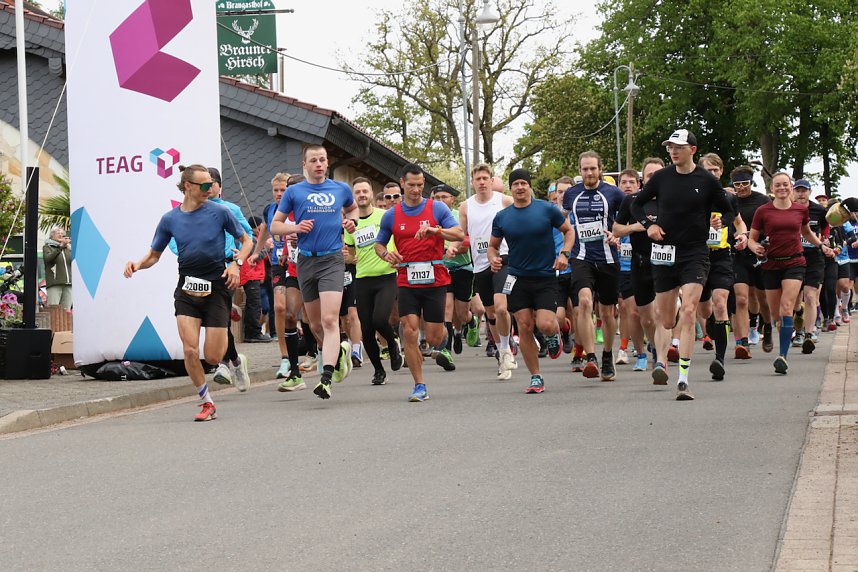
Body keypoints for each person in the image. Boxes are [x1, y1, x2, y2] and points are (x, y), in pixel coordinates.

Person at [123, 164, 252, 421]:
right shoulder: (170, 219)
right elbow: (154, 254)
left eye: (211, 184)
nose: (210, 189)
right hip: (187, 288)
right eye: (204, 185)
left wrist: (237, 264)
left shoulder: (220, 212)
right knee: (191, 351)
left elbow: (246, 241)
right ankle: (207, 402)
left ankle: (236, 361)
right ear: (188, 187)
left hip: (217, 287)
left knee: (213, 356)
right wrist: (137, 264)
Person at [631, 129, 735, 400]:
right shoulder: (662, 178)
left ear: (693, 150)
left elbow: (728, 210)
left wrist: (720, 221)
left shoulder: (706, 180)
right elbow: (636, 205)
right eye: (670, 147)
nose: (673, 151)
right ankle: (674, 313)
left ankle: (683, 380)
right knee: (666, 320)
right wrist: (649, 226)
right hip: (665, 253)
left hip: (694, 253)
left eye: (678, 147)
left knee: (690, 312)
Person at [270, 145, 358, 400]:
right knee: (315, 324)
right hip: (306, 262)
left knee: (330, 320)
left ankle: (326, 378)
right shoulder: (294, 192)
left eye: (322, 160)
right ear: (304, 164)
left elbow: (352, 209)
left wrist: (351, 221)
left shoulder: (340, 189)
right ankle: (339, 353)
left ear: (327, 163)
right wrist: (296, 228)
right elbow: (275, 225)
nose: (319, 164)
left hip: (332, 260)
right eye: (313, 160)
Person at [374, 163, 464, 402]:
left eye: (420, 185)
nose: (416, 190)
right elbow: (379, 245)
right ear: (402, 183)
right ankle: (419, 385)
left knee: (433, 337)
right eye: (411, 185)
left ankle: (443, 338)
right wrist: (386, 254)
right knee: (410, 330)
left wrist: (436, 231)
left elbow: (459, 234)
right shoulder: (392, 214)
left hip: (435, 279)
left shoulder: (437, 208)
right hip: (407, 279)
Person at [489, 169, 575, 393]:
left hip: (545, 276)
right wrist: (493, 259)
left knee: (544, 324)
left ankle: (555, 332)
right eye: (515, 184)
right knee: (525, 325)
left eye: (523, 183)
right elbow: (493, 246)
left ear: (529, 186)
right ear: (511, 188)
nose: (520, 187)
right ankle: (536, 376)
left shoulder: (546, 209)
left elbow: (569, 232)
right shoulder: (503, 216)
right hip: (517, 278)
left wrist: (564, 254)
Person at [748, 172, 833, 374]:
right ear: (772, 189)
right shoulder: (763, 211)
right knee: (777, 315)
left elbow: (806, 232)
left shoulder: (800, 210)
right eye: (777, 185)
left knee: (786, 308)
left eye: (785, 184)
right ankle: (778, 331)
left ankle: (782, 356)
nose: (782, 188)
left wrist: (821, 246)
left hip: (795, 262)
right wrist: (755, 247)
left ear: (791, 187)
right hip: (770, 265)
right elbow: (752, 238)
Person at [562, 151, 625, 381]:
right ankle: (590, 357)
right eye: (585, 169)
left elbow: (626, 219)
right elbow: (562, 221)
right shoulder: (572, 194)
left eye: (593, 168)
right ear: (580, 171)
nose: (589, 173)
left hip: (608, 258)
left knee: (607, 312)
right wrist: (565, 244)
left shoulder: (614, 193)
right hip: (581, 257)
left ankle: (607, 354)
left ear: (600, 169)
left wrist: (617, 235)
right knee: (585, 302)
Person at [457, 163, 518, 378]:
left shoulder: (505, 201)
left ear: (492, 181)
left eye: (485, 178)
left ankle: (506, 349)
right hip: (480, 265)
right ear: (472, 182)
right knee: (491, 313)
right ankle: (502, 352)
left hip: (503, 260)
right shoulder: (465, 206)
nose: (482, 182)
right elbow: (461, 234)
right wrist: (454, 247)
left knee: (501, 308)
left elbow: (522, 217)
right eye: (478, 179)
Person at [345, 177, 402, 385]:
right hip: (362, 279)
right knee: (367, 329)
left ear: (371, 193)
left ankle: (393, 344)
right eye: (358, 192)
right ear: (354, 197)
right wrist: (348, 257)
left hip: (386, 275)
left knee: (379, 319)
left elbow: (397, 239)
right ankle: (378, 370)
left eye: (365, 191)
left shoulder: (384, 216)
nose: (362, 195)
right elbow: (351, 254)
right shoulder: (350, 224)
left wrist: (397, 258)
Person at [697, 153, 749, 381]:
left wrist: (743, 236)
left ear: (721, 172)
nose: (711, 174)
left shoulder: (728, 197)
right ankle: (711, 323)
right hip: (697, 257)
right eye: (707, 170)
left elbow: (738, 222)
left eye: (715, 170)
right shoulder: (693, 196)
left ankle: (719, 359)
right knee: (704, 310)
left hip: (721, 256)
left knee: (720, 303)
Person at [613, 158, 666, 375]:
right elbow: (616, 229)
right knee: (644, 316)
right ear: (643, 179)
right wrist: (634, 227)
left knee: (662, 314)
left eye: (658, 174)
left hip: (665, 262)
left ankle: (660, 357)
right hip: (639, 262)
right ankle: (645, 351)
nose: (653, 179)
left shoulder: (672, 199)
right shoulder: (632, 201)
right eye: (649, 175)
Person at [433, 184, 479, 354]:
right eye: (437, 198)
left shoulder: (459, 217)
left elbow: (465, 246)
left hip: (463, 269)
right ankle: (446, 349)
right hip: (442, 270)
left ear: (452, 199)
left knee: (461, 314)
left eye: (444, 197)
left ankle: (471, 321)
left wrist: (450, 250)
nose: (440, 201)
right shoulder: (430, 218)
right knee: (446, 309)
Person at [790, 179, 830, 354]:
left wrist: (824, 238)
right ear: (793, 192)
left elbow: (826, 226)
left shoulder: (819, 210)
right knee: (795, 300)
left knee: (810, 295)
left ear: (809, 192)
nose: (801, 194)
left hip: (814, 257)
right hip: (793, 257)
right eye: (798, 190)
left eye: (804, 190)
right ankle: (798, 326)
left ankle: (808, 333)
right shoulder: (788, 208)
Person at [241, 216, 272, 343]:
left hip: (253, 274)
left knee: (254, 304)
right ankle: (253, 333)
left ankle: (252, 332)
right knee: (254, 305)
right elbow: (257, 256)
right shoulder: (252, 239)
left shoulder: (254, 238)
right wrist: (268, 248)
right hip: (251, 274)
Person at [43, 226, 72, 309]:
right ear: (52, 235)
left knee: (66, 310)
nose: (61, 235)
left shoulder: (68, 248)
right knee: (53, 309)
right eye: (58, 233)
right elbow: (48, 259)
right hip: (55, 283)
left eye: (62, 233)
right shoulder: (47, 247)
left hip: (68, 283)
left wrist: (70, 249)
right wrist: (60, 247)